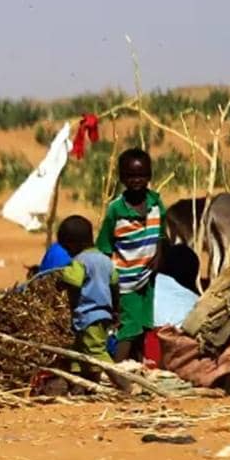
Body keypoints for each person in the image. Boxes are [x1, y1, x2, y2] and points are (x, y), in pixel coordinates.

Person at [98, 148, 166, 361]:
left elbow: (160, 235)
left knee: (144, 323)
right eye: (131, 176)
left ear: (150, 176)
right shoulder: (115, 210)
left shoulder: (156, 203)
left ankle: (136, 365)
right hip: (125, 280)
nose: (137, 180)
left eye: (142, 175)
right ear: (122, 178)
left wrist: (158, 256)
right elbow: (104, 247)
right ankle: (117, 372)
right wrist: (110, 284)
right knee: (129, 326)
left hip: (147, 277)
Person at [57, 216, 119, 384]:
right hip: (103, 313)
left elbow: (75, 281)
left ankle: (122, 382)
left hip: (88, 314)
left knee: (96, 351)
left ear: (72, 244)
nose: (67, 253)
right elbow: (115, 284)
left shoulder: (79, 261)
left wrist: (60, 277)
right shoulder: (106, 260)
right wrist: (116, 310)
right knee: (79, 353)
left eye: (66, 248)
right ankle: (82, 384)